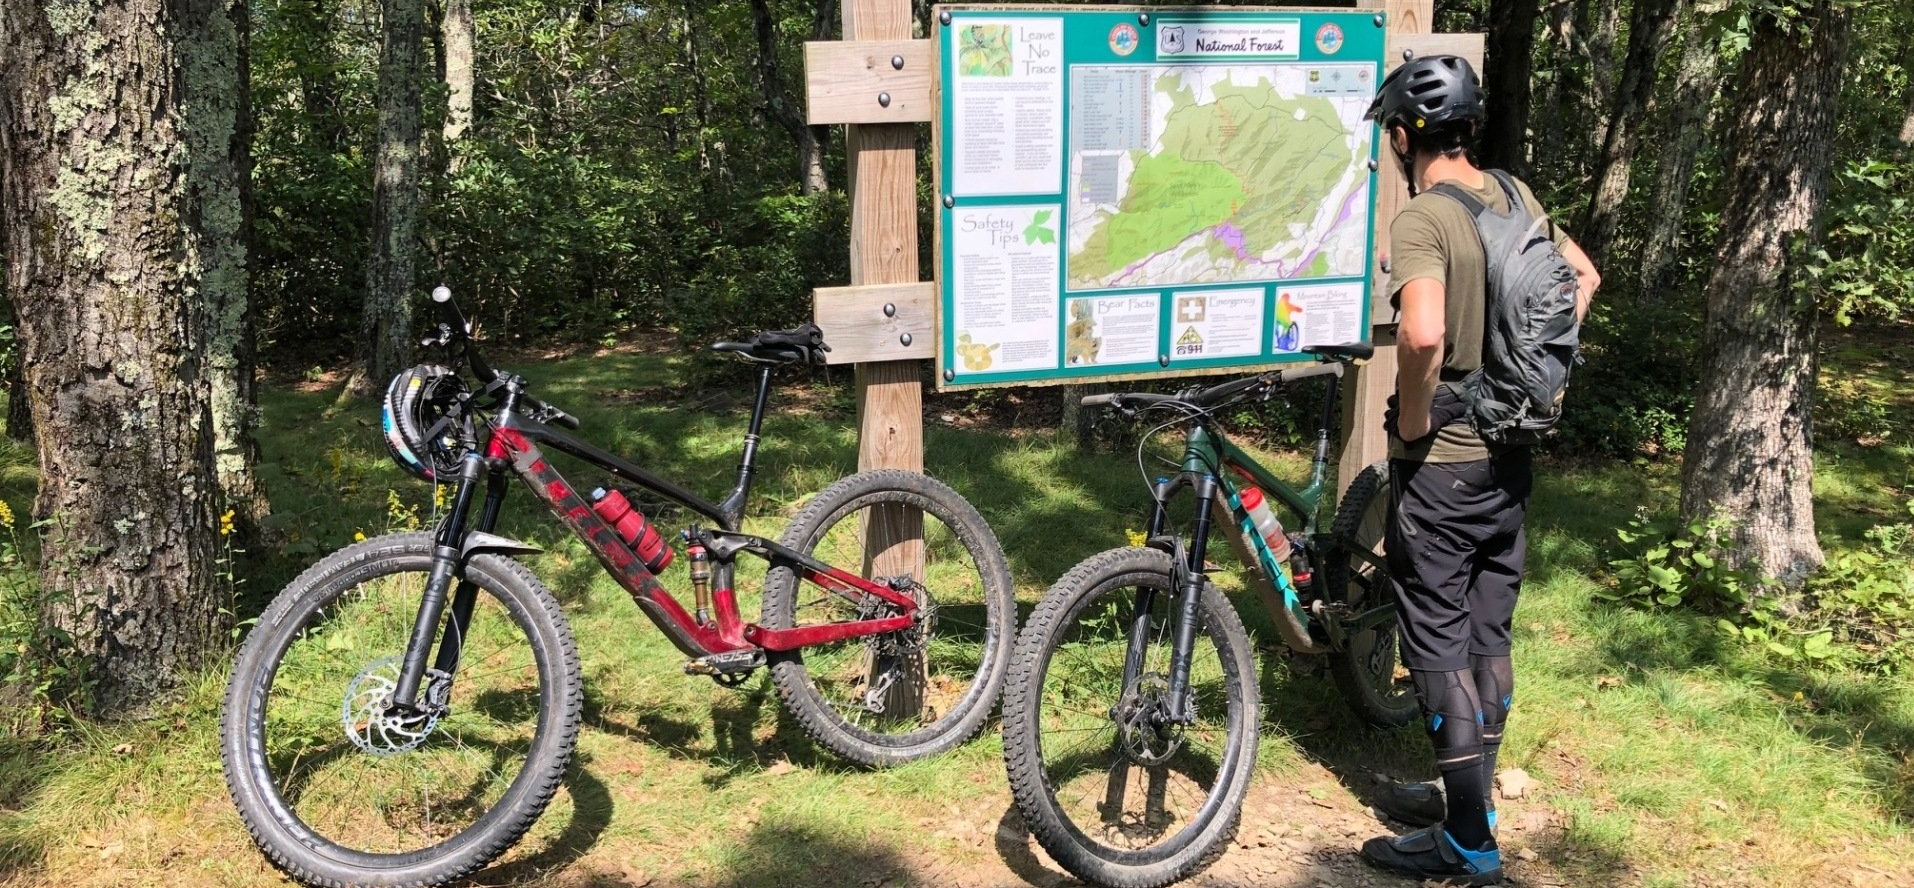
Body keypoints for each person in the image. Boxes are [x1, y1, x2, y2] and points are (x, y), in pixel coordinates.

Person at [1356, 55, 1600, 886]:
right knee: (1487, 637)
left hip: (1445, 467)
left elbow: (1423, 333)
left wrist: (1414, 420)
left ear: (1402, 137)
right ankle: (1471, 801)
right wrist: (1533, 379)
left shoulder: (1423, 218)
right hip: (1509, 461)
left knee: (1436, 645)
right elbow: (1583, 278)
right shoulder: (1515, 195)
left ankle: (1467, 841)